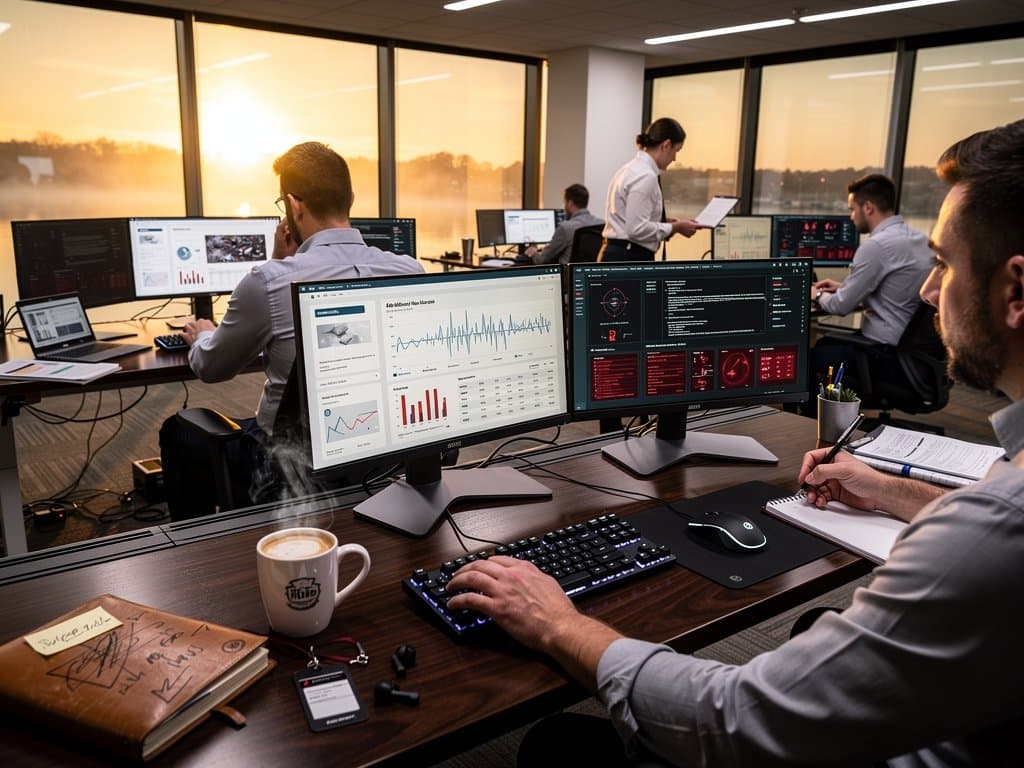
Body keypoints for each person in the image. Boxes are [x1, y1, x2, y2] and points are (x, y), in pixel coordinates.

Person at [447, 119, 1024, 767]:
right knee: (809, 625)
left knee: (557, 744)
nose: (926, 290)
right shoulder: (1001, 506)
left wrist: (557, 622)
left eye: (942, 265)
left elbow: (729, 723)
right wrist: (892, 489)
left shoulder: (994, 529)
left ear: (1016, 291)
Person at [160, 141, 424, 520]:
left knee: (177, 431)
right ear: (350, 198)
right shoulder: (408, 271)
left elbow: (212, 368)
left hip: (285, 466)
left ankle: (201, 551)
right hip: (380, 458)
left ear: (293, 205)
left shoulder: (268, 282)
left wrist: (202, 333)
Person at [806, 174, 934, 410]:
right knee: (826, 344)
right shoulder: (920, 240)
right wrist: (844, 288)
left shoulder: (876, 246)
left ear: (868, 207)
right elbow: (895, 292)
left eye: (852, 209)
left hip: (886, 357)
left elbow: (839, 307)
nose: (851, 216)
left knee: (807, 362)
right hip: (916, 358)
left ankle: (811, 427)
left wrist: (813, 293)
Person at [598, 117, 701, 263]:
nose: (675, 159)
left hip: (619, 254)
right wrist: (675, 227)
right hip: (628, 257)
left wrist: (663, 222)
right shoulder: (645, 176)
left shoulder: (630, 169)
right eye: (676, 150)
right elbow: (636, 229)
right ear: (666, 145)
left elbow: (632, 219)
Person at [525, 183, 603, 265]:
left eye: (564, 203)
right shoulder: (601, 224)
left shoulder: (565, 228)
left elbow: (542, 260)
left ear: (570, 203)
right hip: (591, 274)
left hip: (568, 275)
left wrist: (533, 251)